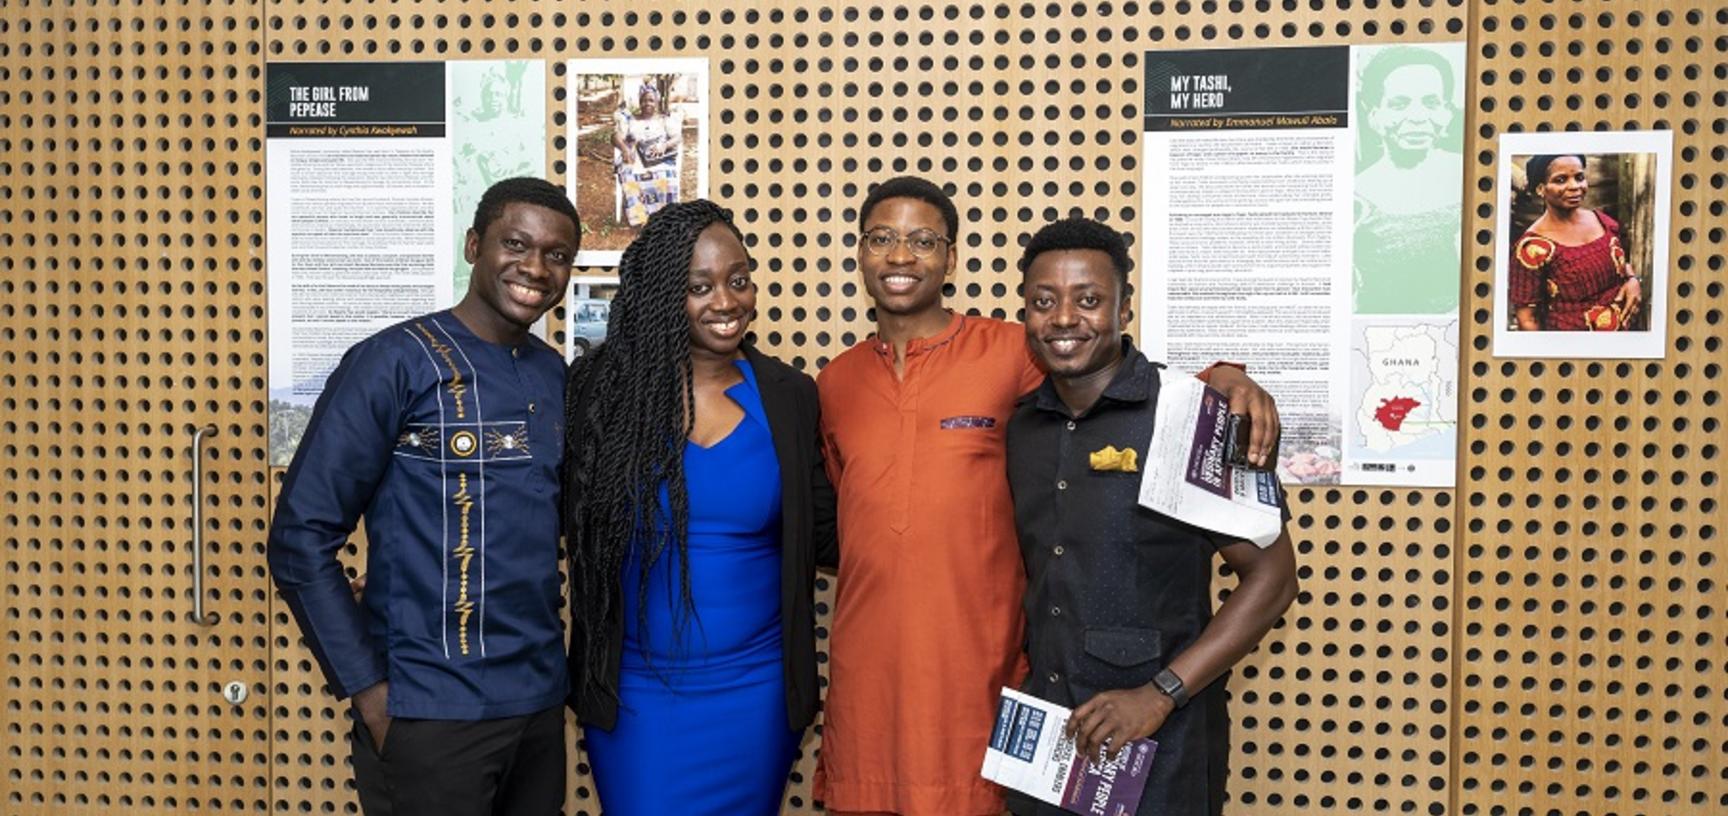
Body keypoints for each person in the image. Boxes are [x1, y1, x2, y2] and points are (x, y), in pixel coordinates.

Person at [814, 176, 1282, 816]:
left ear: (951, 258)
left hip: (1023, 693)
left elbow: (1115, 374)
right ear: (860, 251)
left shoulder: (1012, 352)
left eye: (923, 240)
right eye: (882, 239)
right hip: (948, 698)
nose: (901, 256)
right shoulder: (838, 383)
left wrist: (1223, 379)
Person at [267, 177, 579, 816]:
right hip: (427, 715)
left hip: (538, 708)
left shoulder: (553, 374)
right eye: (515, 244)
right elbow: (300, 536)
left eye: (556, 254)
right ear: (474, 246)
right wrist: (371, 694)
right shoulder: (393, 362)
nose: (535, 268)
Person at [1006, 217, 1300, 816]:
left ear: (1124, 308)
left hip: (1160, 745)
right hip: (1049, 739)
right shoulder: (1022, 428)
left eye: (1089, 300)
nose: (1064, 319)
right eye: (1044, 302)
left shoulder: (1194, 417)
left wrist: (1160, 694)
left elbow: (1274, 579)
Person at [562, 200, 837, 814]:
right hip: (636, 694)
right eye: (700, 286)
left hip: (756, 692)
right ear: (663, 293)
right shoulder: (600, 395)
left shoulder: (790, 397)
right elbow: (539, 517)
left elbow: (830, 532)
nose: (726, 301)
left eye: (738, 280)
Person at [1352, 45, 1465, 314]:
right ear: (1374, 115)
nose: (1417, 118)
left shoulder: (1466, 173)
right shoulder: (1356, 190)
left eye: (1431, 103)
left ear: (1447, 112)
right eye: (1399, 104)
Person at [1509, 154, 1643, 331]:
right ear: (1541, 189)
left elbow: (1621, 260)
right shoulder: (1532, 249)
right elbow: (1527, 320)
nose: (1574, 186)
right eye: (1561, 180)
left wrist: (1632, 280)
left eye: (1579, 177)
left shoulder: (1602, 221)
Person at [612, 80, 684, 227]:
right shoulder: (631, 120)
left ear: (656, 102)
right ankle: (641, 219)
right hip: (636, 158)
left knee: (667, 176)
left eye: (651, 100)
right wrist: (625, 149)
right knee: (630, 176)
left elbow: (678, 137)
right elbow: (615, 137)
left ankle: (665, 217)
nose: (647, 103)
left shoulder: (664, 120)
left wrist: (664, 145)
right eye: (644, 100)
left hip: (659, 159)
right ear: (639, 102)